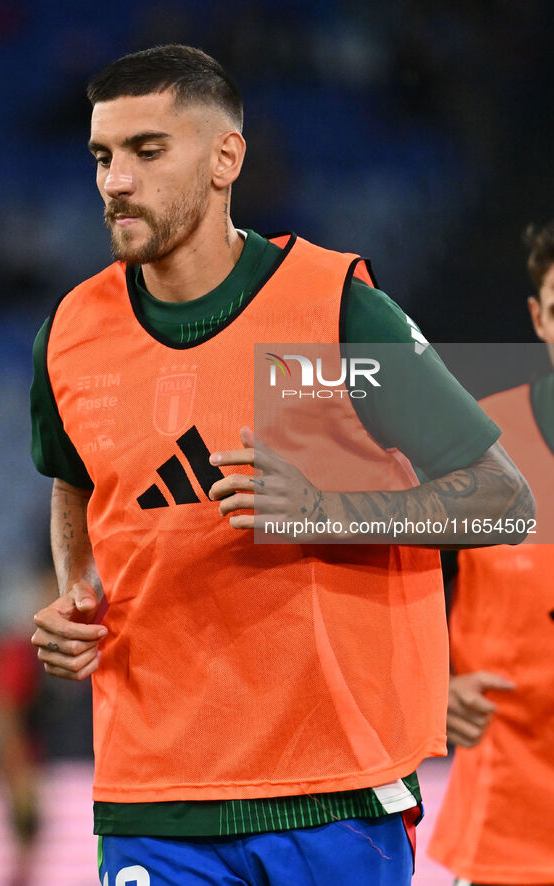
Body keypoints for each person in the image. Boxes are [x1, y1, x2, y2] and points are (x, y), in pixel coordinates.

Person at [29, 45, 533, 886]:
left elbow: (501, 498)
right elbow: (72, 480)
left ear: (226, 158)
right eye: (103, 156)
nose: (116, 180)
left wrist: (325, 509)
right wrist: (78, 589)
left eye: (147, 151)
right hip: (151, 795)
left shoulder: (332, 309)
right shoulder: (73, 332)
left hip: (330, 791)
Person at [428, 222, 554, 886]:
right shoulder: (475, 448)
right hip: (503, 830)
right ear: (538, 317)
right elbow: (389, 587)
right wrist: (426, 686)